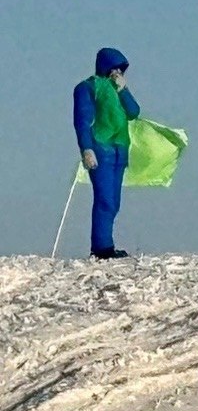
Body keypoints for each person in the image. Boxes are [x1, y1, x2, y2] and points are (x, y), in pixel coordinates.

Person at [72, 49, 139, 260]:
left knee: (114, 201)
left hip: (120, 149)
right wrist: (86, 148)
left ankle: (106, 244)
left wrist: (124, 90)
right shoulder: (87, 87)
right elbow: (82, 120)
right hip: (101, 148)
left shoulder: (118, 88)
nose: (118, 71)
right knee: (105, 200)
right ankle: (101, 247)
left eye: (121, 68)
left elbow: (134, 112)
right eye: (115, 67)